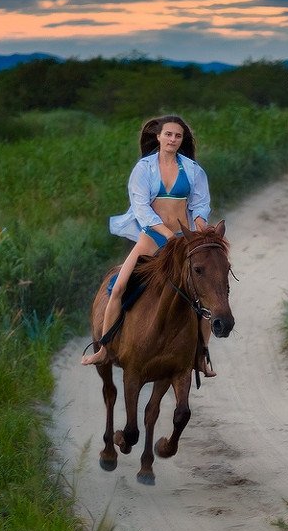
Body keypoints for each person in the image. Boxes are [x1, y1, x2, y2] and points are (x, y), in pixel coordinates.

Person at [81, 115, 217, 376]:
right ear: (158, 136)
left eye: (177, 136)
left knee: (204, 294)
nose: (173, 140)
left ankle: (200, 356)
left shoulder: (192, 170)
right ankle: (105, 348)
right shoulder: (144, 169)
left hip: (182, 238)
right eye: (168, 135)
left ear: (182, 140)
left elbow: (200, 204)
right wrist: (166, 234)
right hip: (152, 237)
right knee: (119, 285)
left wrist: (200, 228)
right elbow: (141, 209)